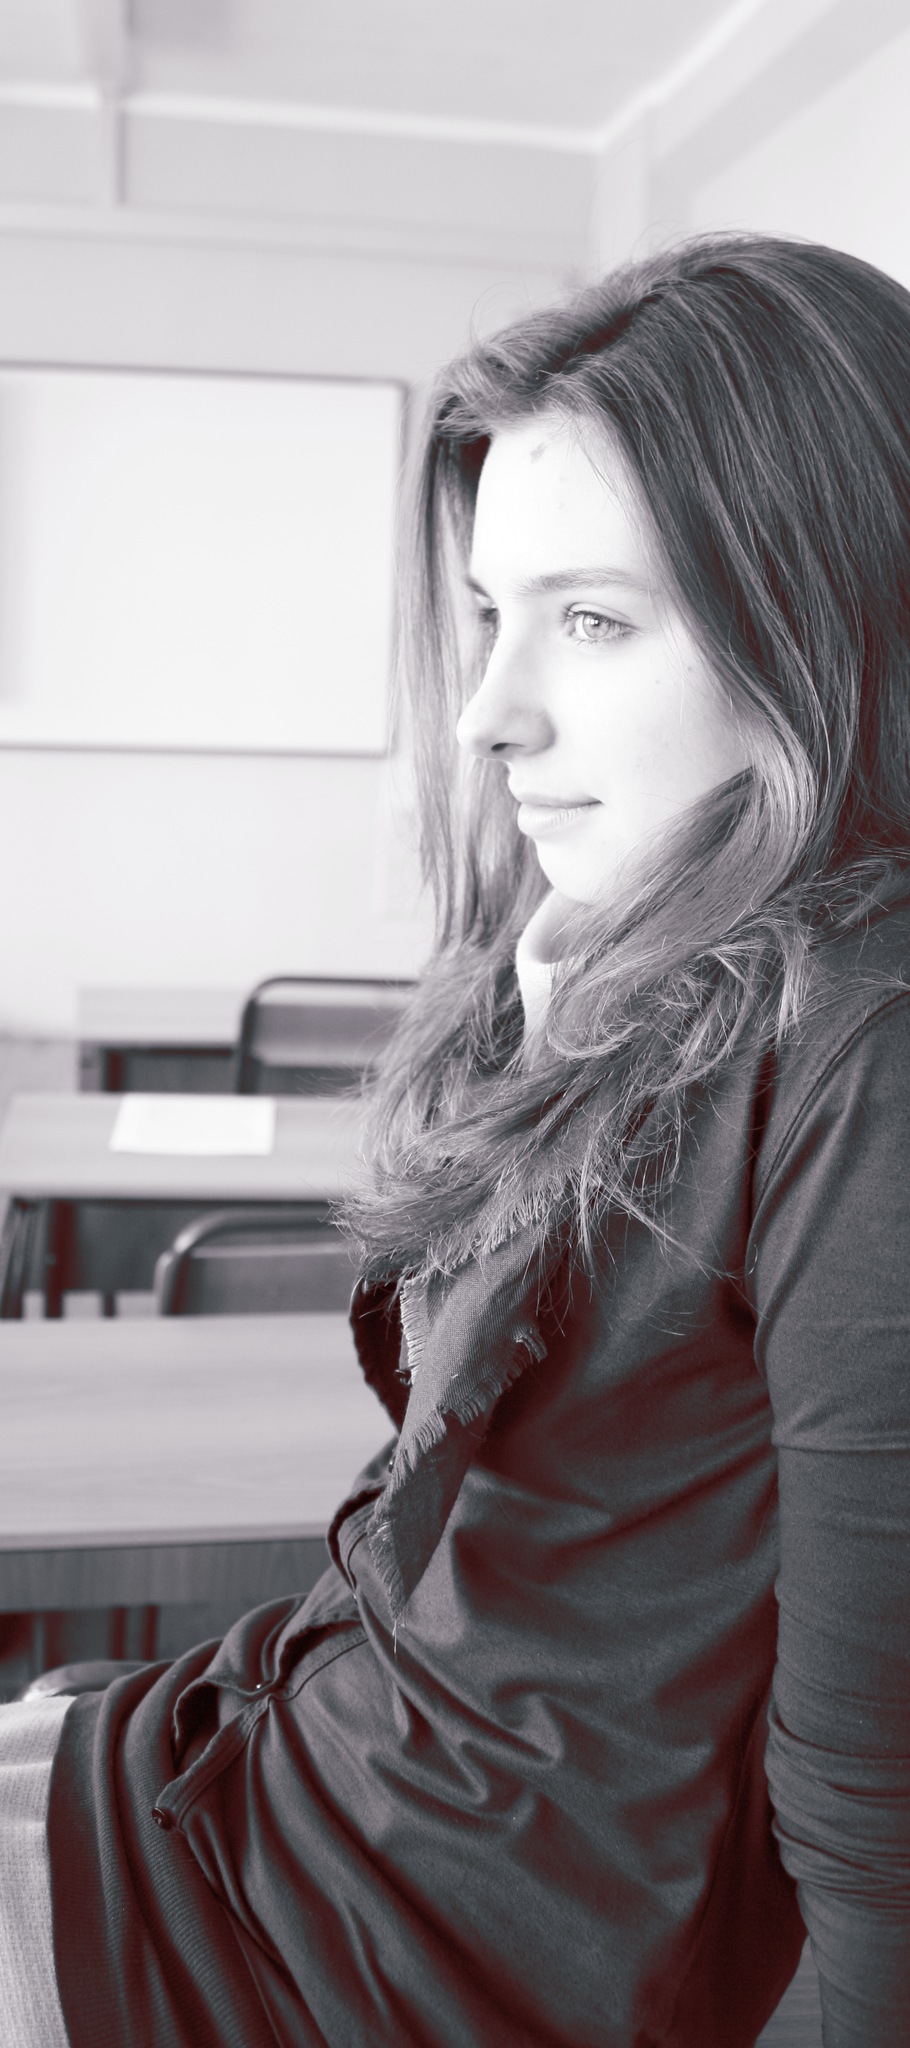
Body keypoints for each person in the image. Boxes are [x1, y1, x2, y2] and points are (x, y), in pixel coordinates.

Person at [4, 229, 910, 2046]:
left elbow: (878, 1867)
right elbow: (463, 1553)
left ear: (820, 619)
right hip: (331, 1794)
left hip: (410, 1950)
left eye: (594, 619)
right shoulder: (616, 963)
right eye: (493, 615)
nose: (493, 714)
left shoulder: (859, 1041)